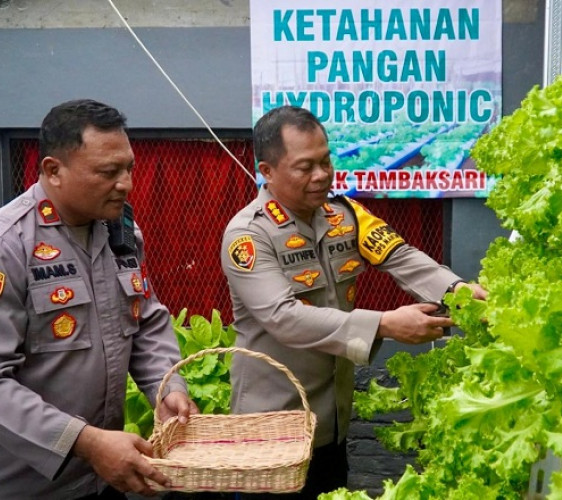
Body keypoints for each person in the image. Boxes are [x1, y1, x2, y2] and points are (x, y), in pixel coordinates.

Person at [220, 105, 487, 499]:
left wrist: (455, 290)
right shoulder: (248, 235)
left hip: (331, 424)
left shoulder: (345, 215)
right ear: (267, 171)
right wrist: (383, 324)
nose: (321, 175)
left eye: (326, 160)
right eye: (305, 166)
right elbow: (283, 318)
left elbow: (399, 255)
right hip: (271, 432)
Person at [0, 99, 199, 499]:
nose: (125, 183)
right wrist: (87, 442)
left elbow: (146, 321)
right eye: (109, 172)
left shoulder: (121, 232)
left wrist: (168, 388)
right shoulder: (10, 245)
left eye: (129, 168)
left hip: (105, 477)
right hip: (29, 486)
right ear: (53, 171)